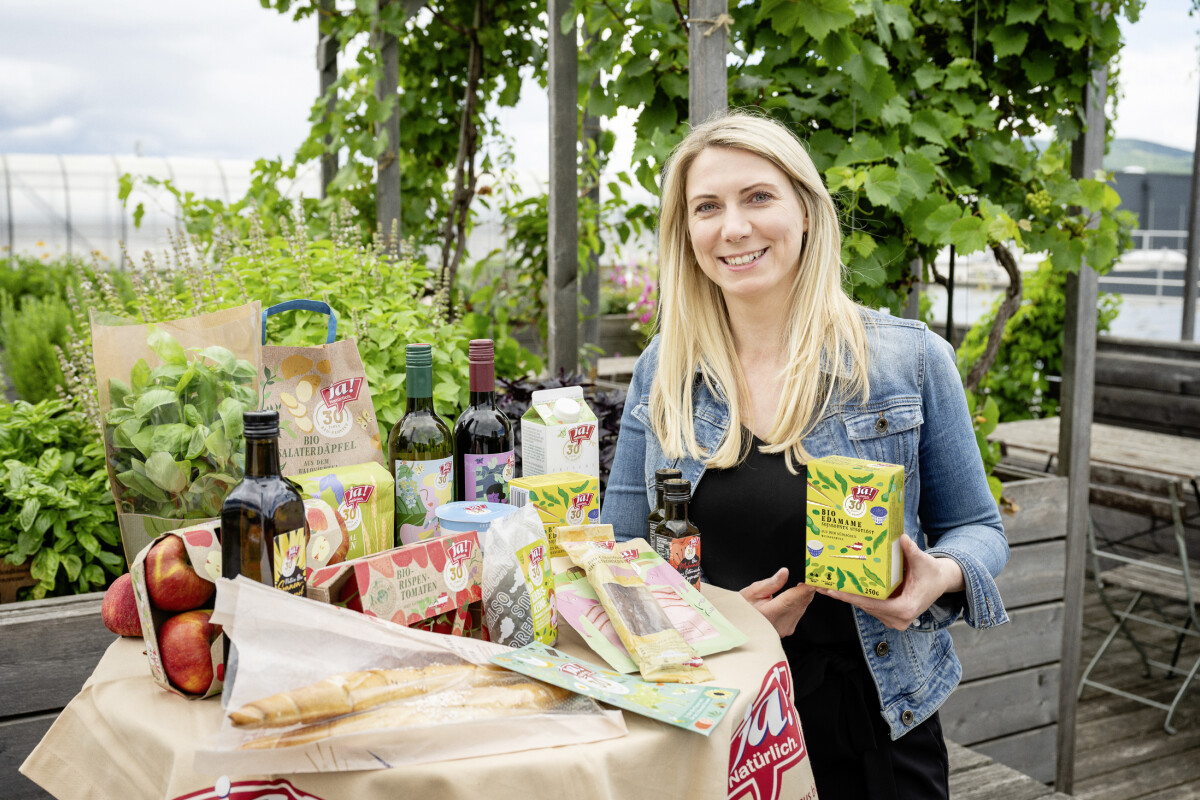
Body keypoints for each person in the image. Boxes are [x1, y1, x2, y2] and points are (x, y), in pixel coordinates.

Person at [600, 111, 1009, 799]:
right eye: (708, 207)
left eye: (758, 197)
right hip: (714, 718)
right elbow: (617, 551)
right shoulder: (665, 369)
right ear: (687, 233)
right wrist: (720, 622)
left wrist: (938, 576)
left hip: (873, 722)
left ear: (808, 212)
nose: (734, 227)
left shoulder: (908, 360)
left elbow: (981, 530)